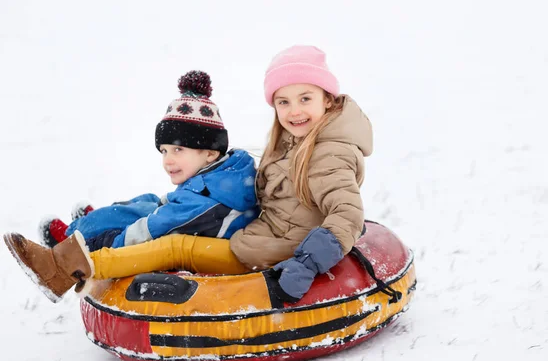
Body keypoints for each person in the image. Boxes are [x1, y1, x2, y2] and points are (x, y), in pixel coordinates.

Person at [4, 45, 373, 304]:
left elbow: (347, 214)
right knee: (159, 209)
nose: (294, 111)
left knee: (174, 245)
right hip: (260, 236)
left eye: (305, 98)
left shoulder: (329, 152)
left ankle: (62, 269)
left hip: (275, 252)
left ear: (328, 98)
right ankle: (89, 239)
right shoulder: (295, 141)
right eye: (283, 101)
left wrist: (305, 264)